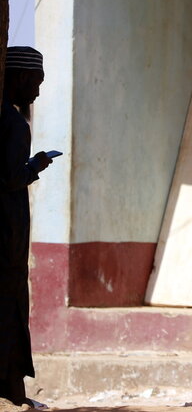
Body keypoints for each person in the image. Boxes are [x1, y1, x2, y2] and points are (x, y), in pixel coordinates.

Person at [0, 46, 52, 408]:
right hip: (7, 236)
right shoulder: (15, 123)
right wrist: (37, 165)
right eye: (34, 82)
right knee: (10, 309)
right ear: (19, 78)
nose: (35, 92)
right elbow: (10, 177)